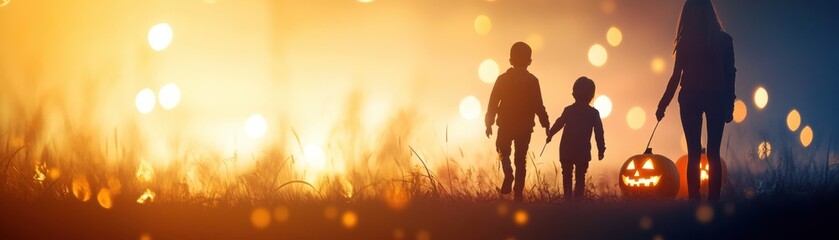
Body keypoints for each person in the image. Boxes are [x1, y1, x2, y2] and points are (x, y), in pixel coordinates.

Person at [656, 0, 736, 202]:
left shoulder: (685, 42)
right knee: (713, 152)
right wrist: (729, 104)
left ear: (688, 14)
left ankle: (694, 200)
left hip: (690, 98)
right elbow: (730, 74)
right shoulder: (725, 40)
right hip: (717, 97)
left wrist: (663, 104)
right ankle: (714, 201)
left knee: (693, 152)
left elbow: (676, 76)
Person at [485, 42, 550, 202]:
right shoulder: (532, 81)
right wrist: (545, 122)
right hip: (525, 127)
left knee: (502, 148)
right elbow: (538, 104)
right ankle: (518, 195)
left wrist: (489, 122)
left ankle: (507, 170)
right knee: (521, 160)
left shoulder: (502, 79)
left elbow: (493, 102)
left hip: (506, 124)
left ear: (510, 60)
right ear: (529, 61)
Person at [546, 77, 605, 200]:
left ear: (574, 93)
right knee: (580, 176)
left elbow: (559, 123)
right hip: (582, 151)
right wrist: (601, 148)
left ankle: (567, 198)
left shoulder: (569, 110)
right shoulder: (593, 113)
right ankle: (578, 199)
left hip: (566, 149)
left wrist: (550, 134)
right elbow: (599, 132)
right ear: (591, 95)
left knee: (566, 174)